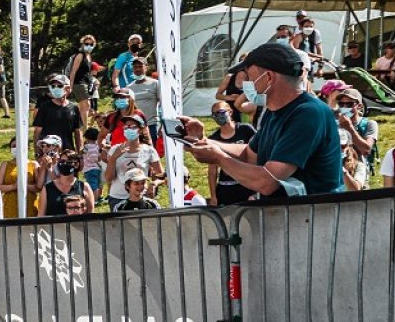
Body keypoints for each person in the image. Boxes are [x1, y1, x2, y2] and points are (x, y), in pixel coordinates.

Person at [186, 42, 344, 199]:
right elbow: (250, 154)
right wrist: (205, 141)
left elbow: (267, 182)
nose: (246, 84)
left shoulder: (309, 114)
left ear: (268, 77)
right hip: (293, 217)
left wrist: (219, 159)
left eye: (250, 77)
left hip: (313, 218)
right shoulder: (273, 111)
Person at [206, 100, 256, 206]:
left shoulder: (245, 130)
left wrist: (255, 191)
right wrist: (213, 196)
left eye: (220, 112)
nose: (218, 116)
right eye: (214, 114)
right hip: (225, 188)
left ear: (230, 112)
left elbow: (257, 156)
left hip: (246, 184)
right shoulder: (213, 139)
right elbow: (212, 170)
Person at [105, 127, 161, 210]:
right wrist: (113, 158)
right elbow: (108, 179)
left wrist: (154, 184)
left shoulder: (148, 150)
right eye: (127, 127)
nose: (129, 129)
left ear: (140, 130)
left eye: (133, 127)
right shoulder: (115, 149)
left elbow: (162, 175)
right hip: (117, 198)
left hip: (141, 197)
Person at [32, 73, 83, 150]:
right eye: (53, 86)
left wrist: (79, 153)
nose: (55, 88)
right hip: (48, 154)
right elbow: (37, 132)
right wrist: (38, 153)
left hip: (67, 153)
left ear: (68, 88)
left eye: (59, 86)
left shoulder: (74, 108)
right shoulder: (45, 107)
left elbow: (78, 132)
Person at [40, 149, 94, 216]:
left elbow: (91, 216)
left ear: (76, 165)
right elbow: (41, 216)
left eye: (68, 162)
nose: (64, 164)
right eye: (62, 161)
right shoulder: (47, 188)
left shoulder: (84, 187)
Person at [65, 35, 101, 123]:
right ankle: (84, 129)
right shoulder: (80, 55)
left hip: (86, 84)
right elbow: (73, 71)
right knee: (86, 105)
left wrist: (92, 82)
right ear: (82, 44)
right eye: (87, 43)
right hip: (78, 83)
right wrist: (70, 85)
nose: (89, 46)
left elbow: (87, 73)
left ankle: (78, 125)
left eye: (91, 44)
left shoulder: (89, 57)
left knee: (84, 107)